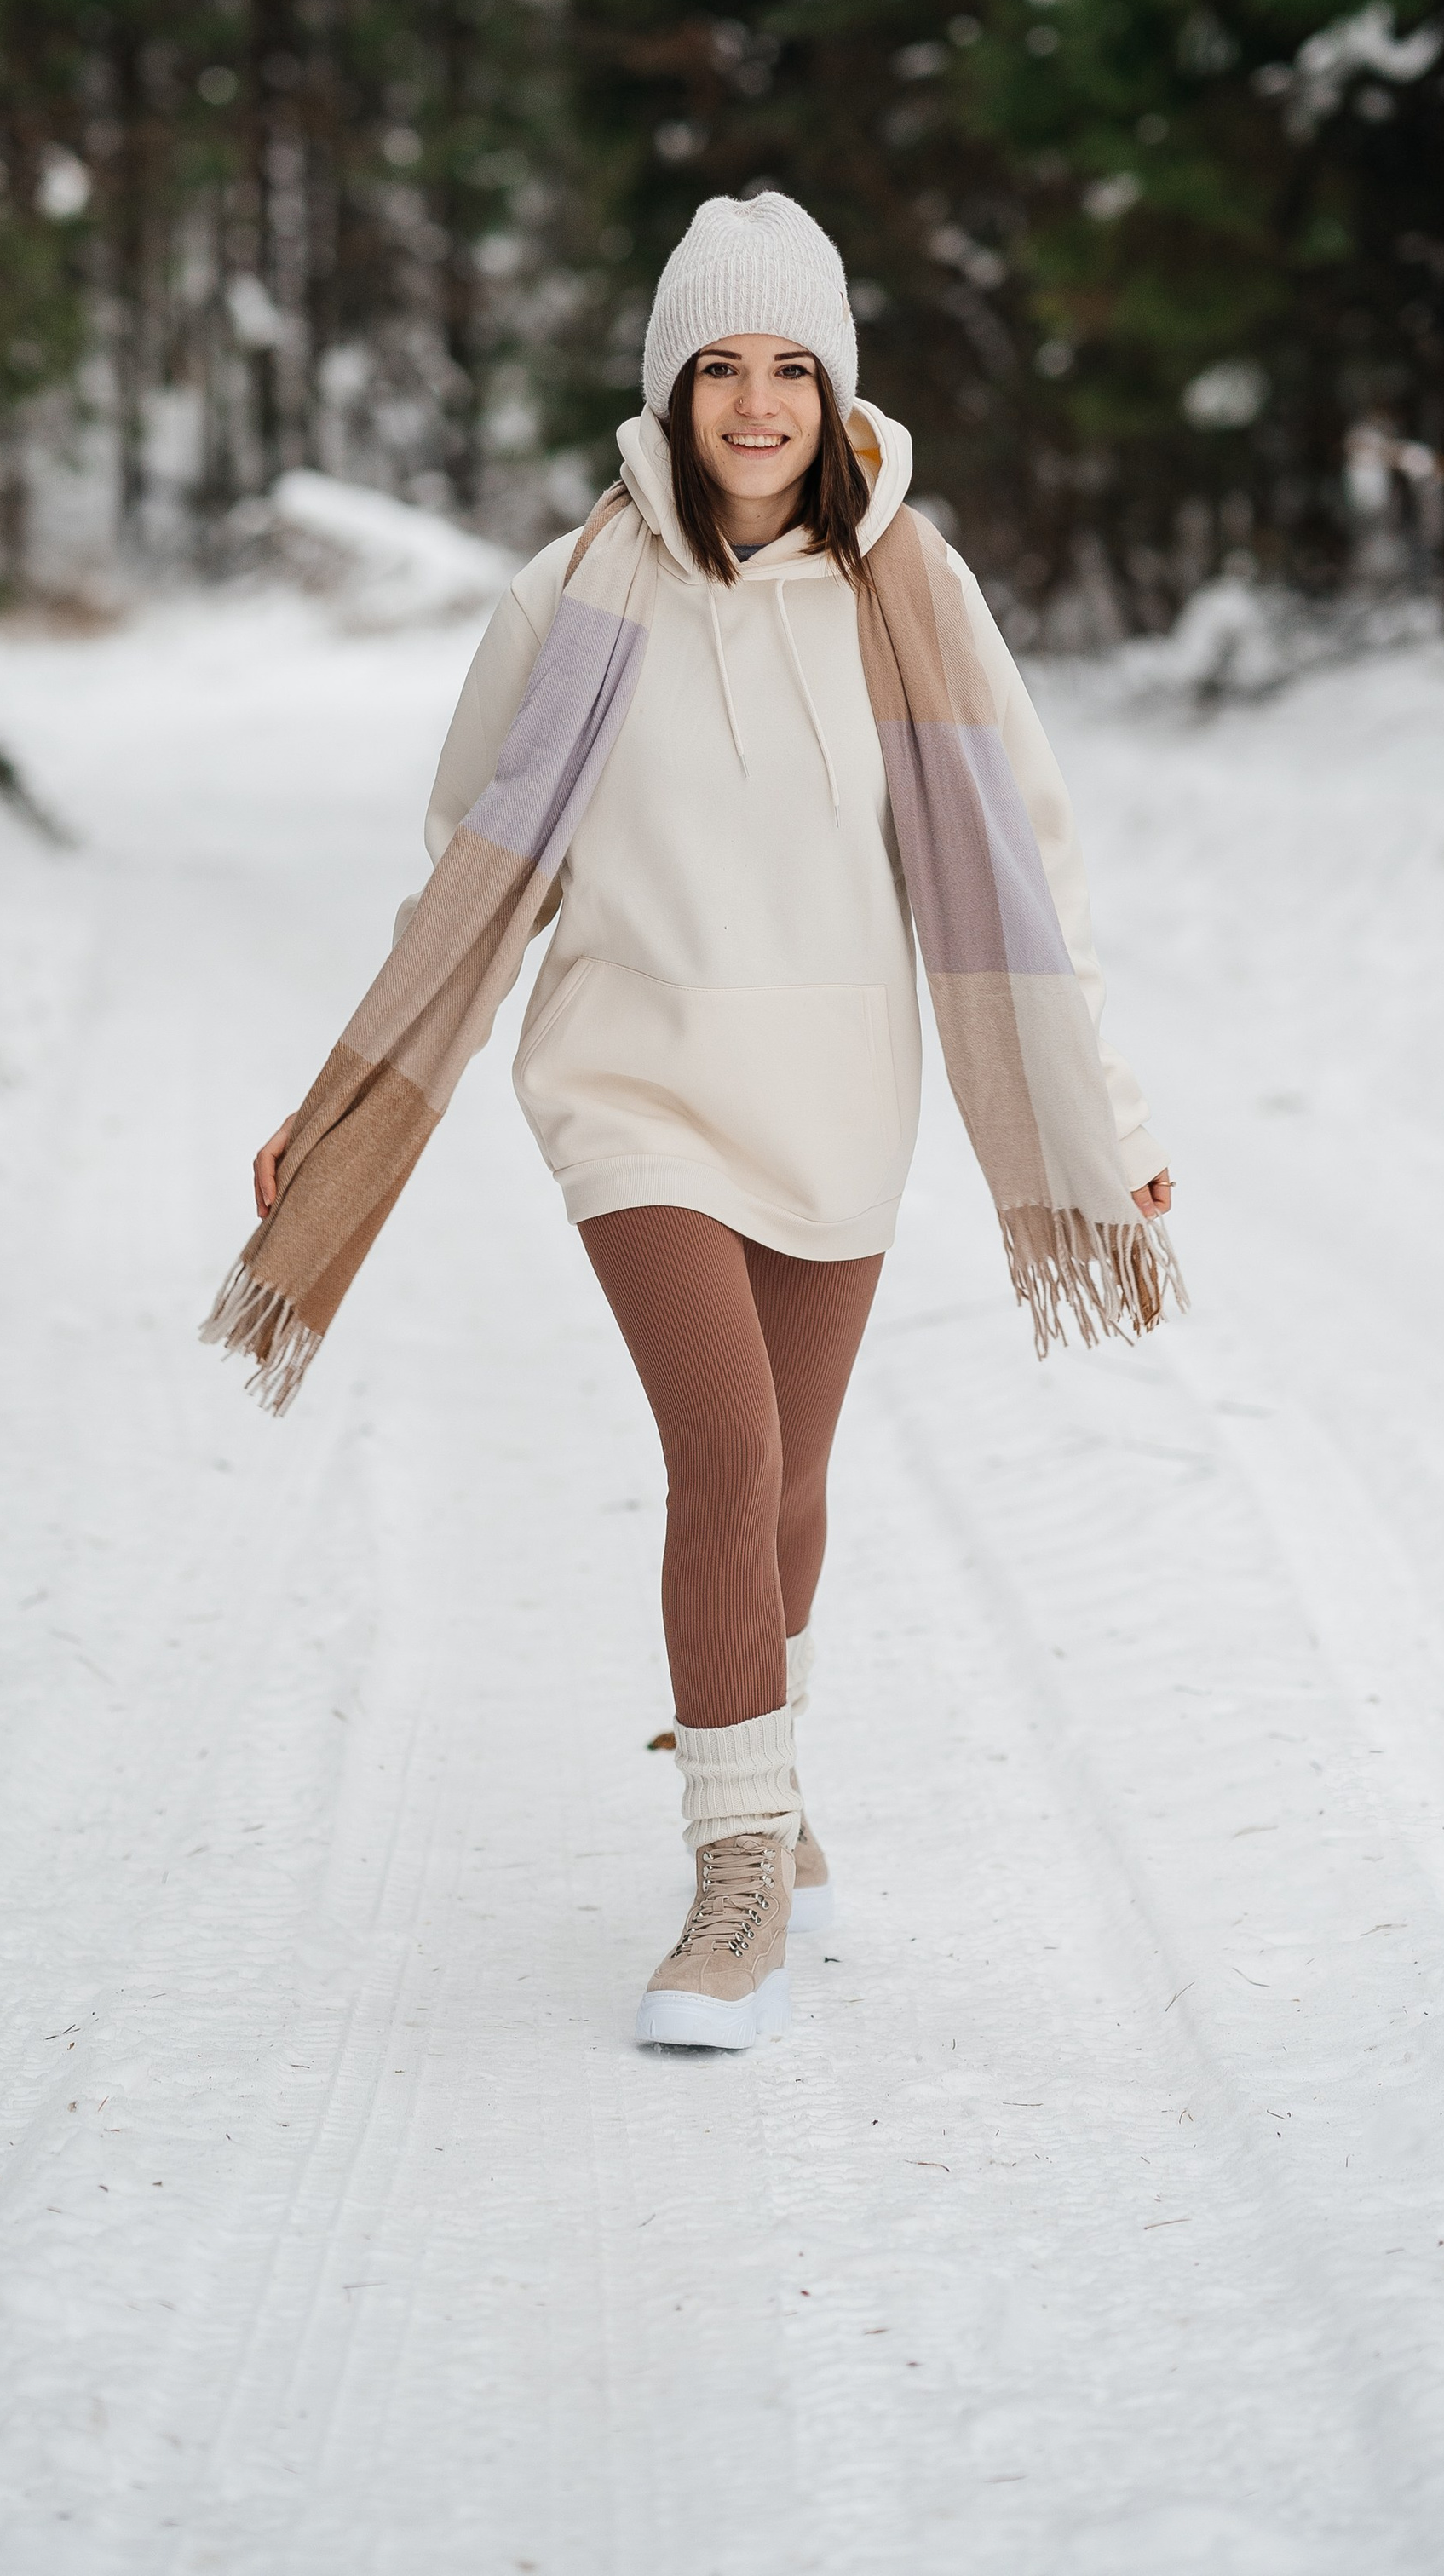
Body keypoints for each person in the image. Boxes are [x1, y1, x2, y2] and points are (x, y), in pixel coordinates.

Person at [227, 191, 1176, 2051]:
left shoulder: (918, 596)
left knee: (795, 1480)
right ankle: (735, 1865)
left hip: (837, 1094)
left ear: (837, 395)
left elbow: (1027, 872)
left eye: (790, 368)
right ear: (667, 392)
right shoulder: (568, 597)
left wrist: (1104, 1110)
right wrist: (338, 1105)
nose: (754, 405)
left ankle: (772, 1769)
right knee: (726, 1460)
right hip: (629, 1088)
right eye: (719, 368)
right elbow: (469, 870)